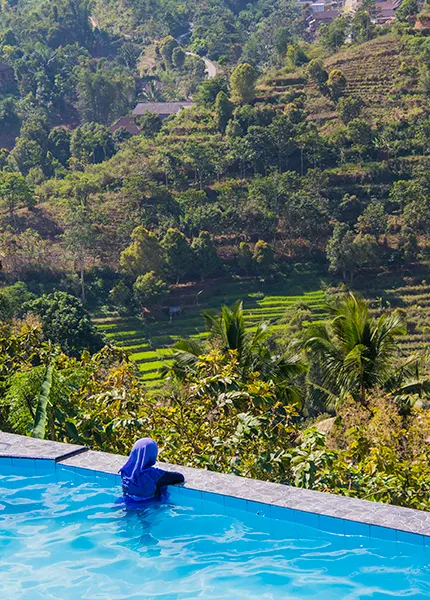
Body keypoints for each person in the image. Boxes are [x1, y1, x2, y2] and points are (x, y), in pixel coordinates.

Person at [119, 438, 184, 501]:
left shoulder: (124, 472)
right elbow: (180, 477)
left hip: (127, 502)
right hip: (147, 507)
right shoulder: (153, 474)